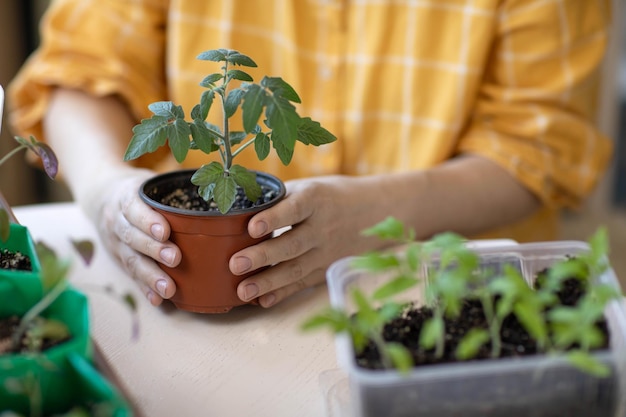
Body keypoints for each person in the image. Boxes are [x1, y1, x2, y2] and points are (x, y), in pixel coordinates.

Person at [8, 0, 613, 309]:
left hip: (441, 284)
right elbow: (80, 76)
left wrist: (376, 211)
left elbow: (537, 147)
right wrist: (108, 190)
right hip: (201, 302)